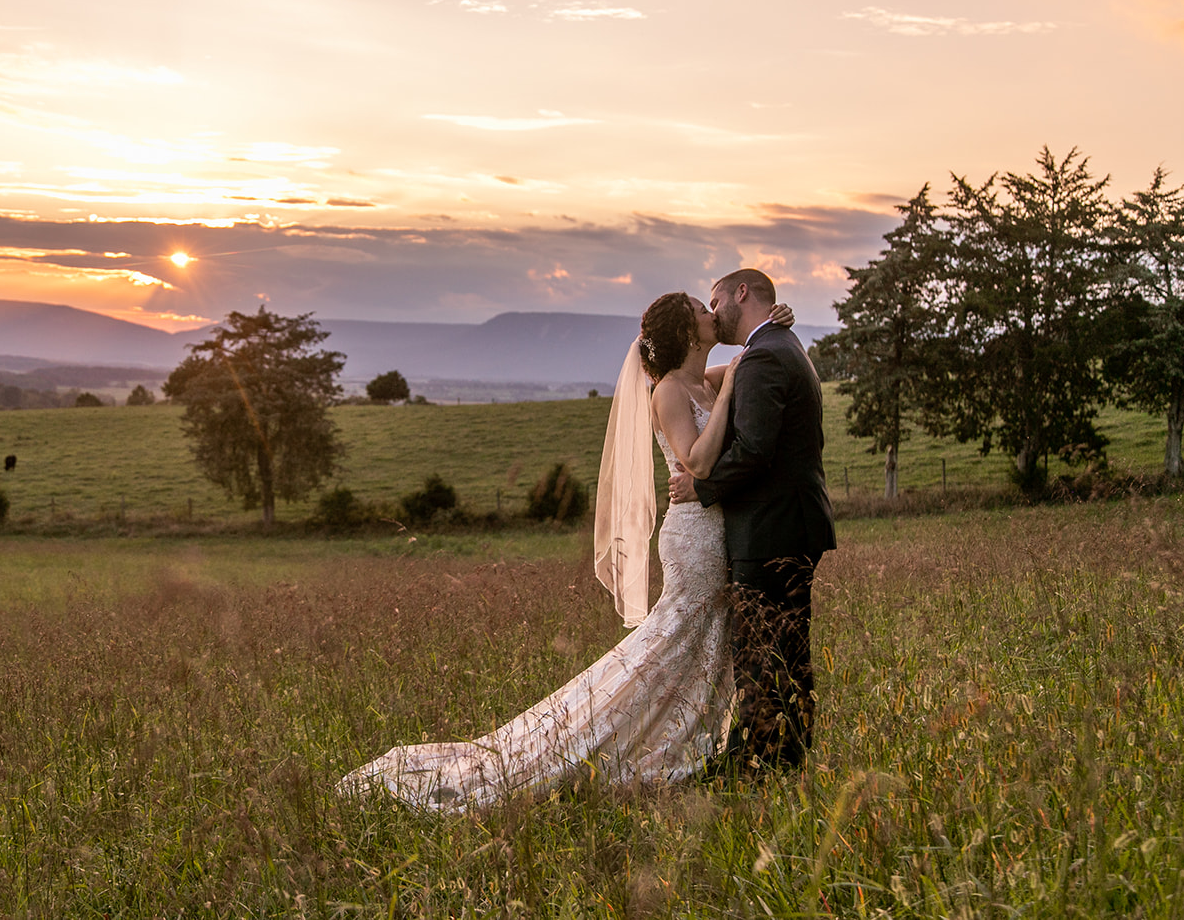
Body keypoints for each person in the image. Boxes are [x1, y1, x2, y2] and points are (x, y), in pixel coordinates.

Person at [337, 293, 793, 810]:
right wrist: (732, 383)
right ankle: (590, 747)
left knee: (698, 645)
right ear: (688, 332)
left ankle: (685, 744)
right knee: (671, 643)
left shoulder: (700, 381)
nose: (714, 315)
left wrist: (773, 326)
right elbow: (699, 463)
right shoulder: (667, 390)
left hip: (719, 534)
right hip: (693, 539)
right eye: (702, 310)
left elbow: (745, 363)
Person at [668, 268, 835, 775]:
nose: (714, 312)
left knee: (765, 654)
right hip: (784, 524)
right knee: (784, 650)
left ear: (742, 293)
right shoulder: (777, 345)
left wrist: (703, 488)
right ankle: (782, 756)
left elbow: (756, 450)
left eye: (715, 300)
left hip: (769, 528)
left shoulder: (765, 353)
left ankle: (761, 762)